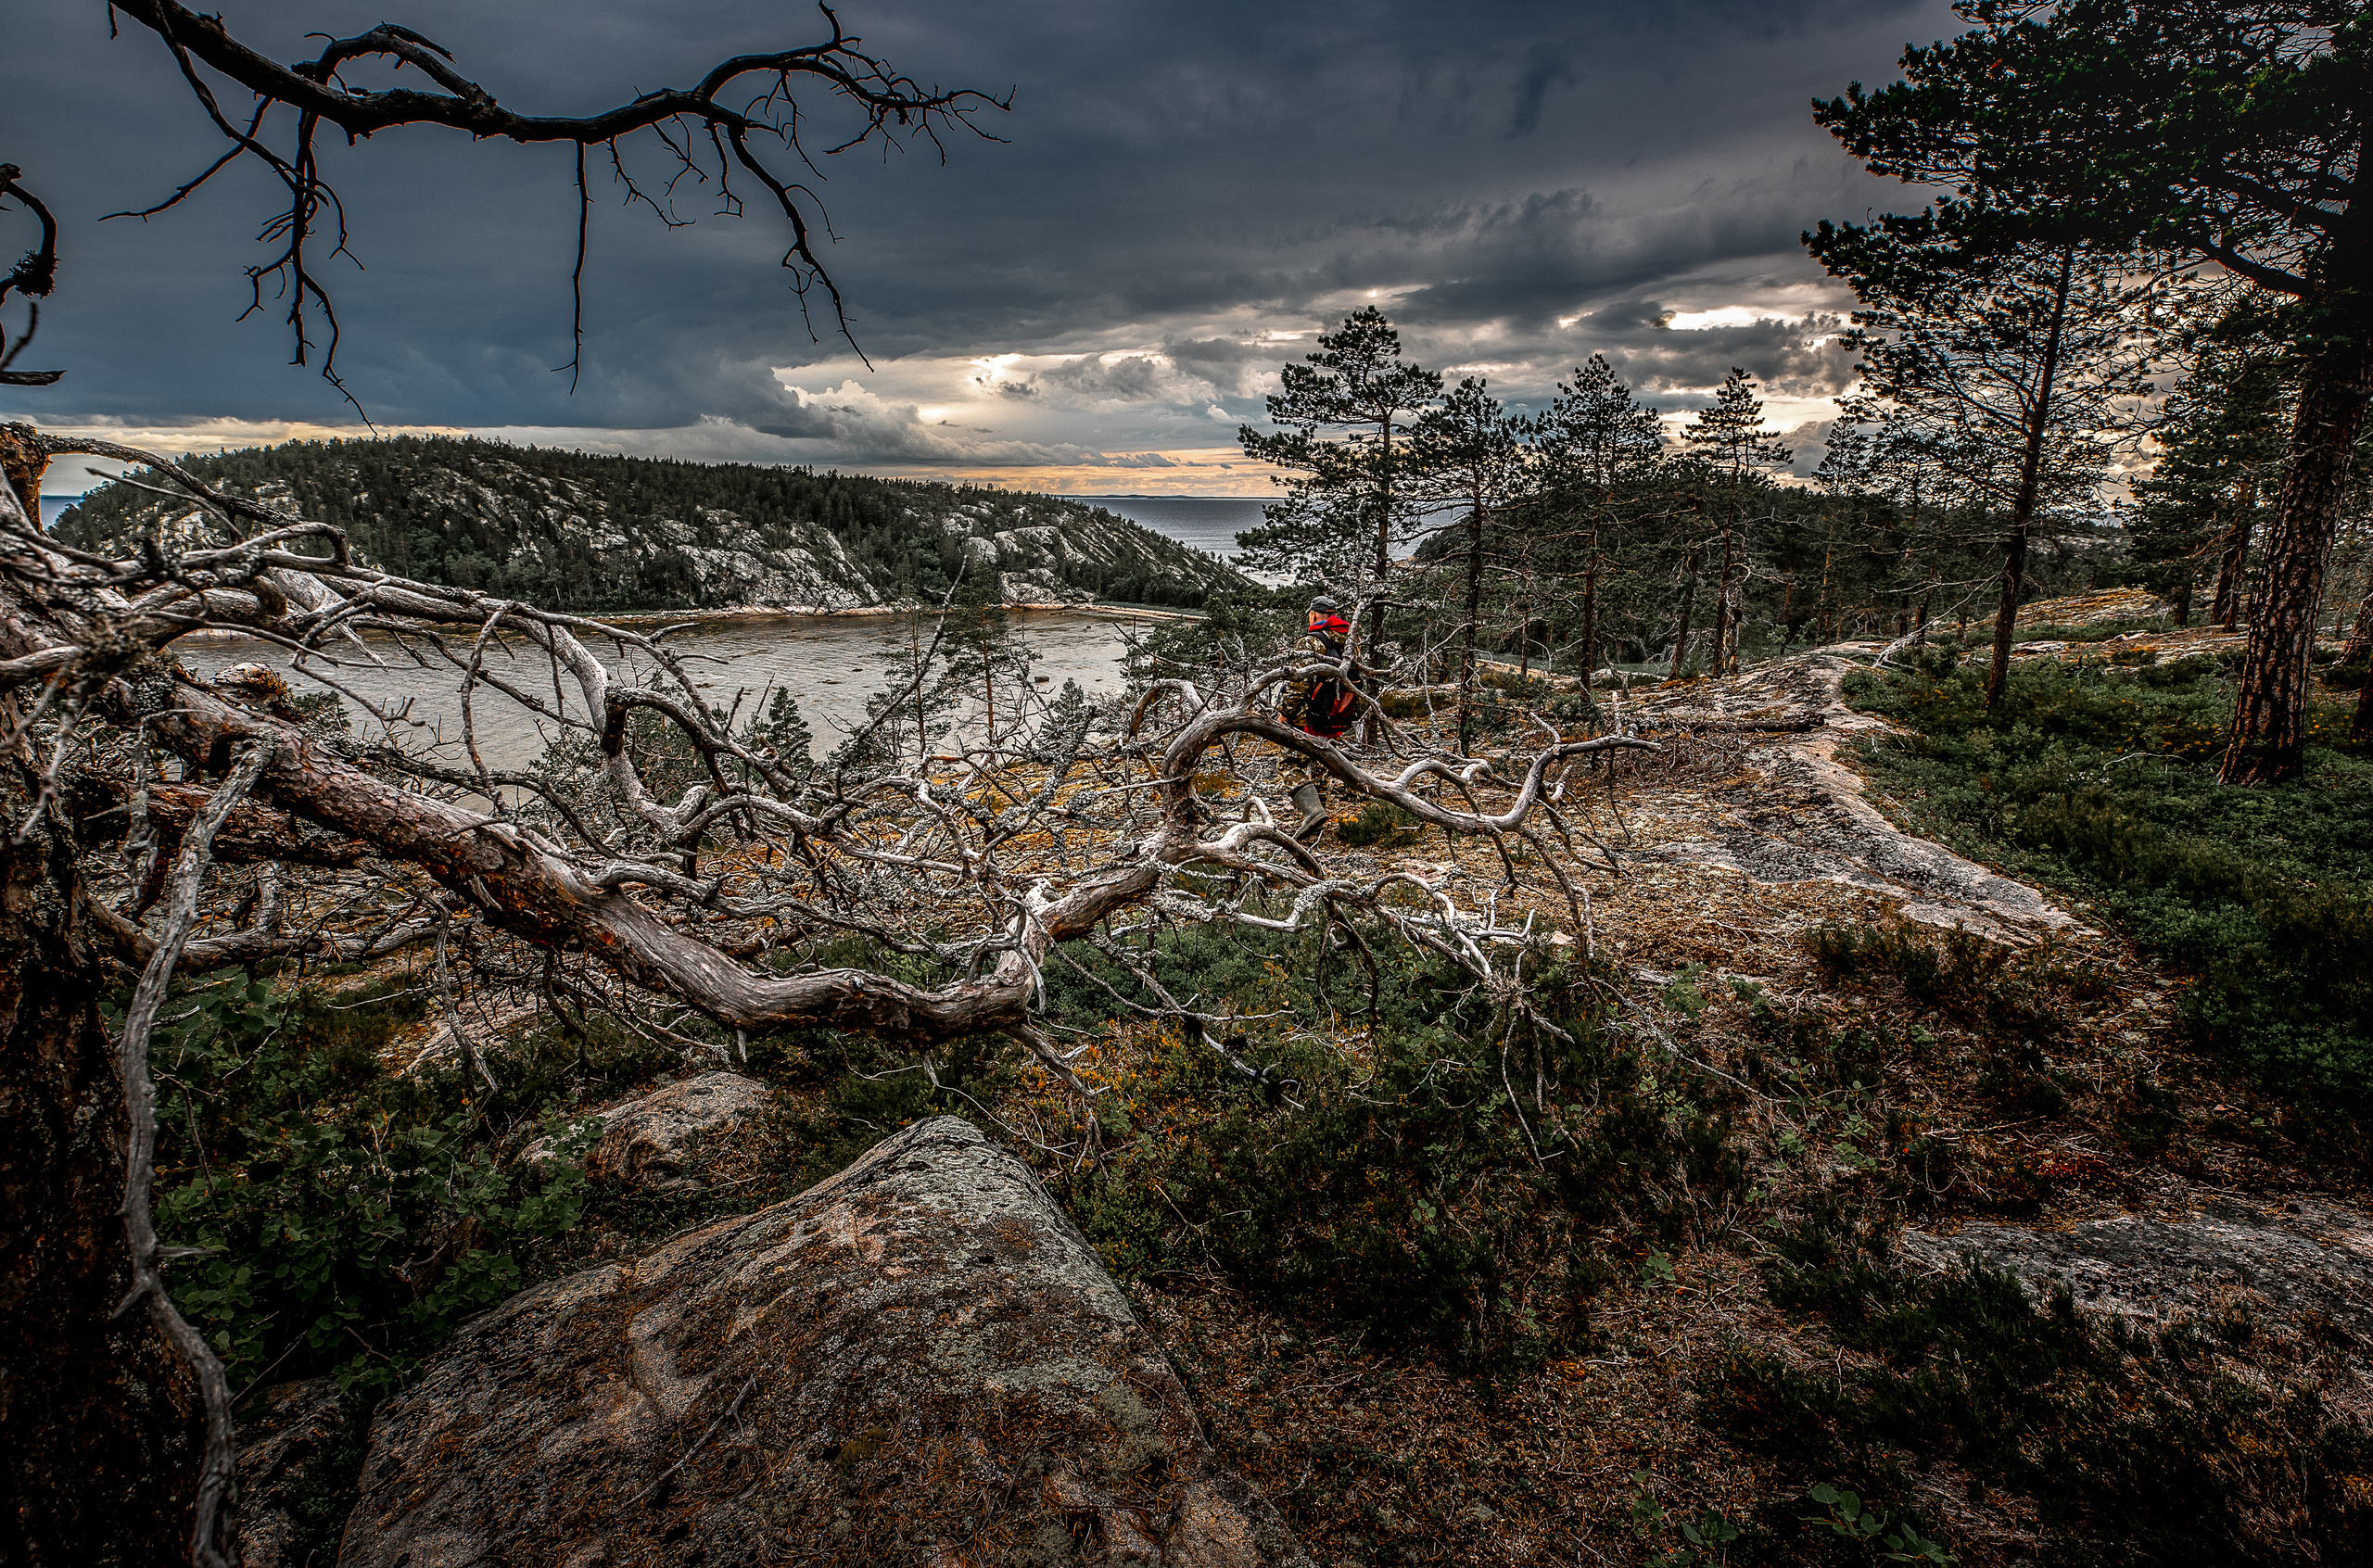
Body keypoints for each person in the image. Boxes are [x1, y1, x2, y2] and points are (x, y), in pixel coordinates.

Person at [1280, 595, 1359, 841]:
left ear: (1315, 615)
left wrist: (1285, 712)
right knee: (1321, 765)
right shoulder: (1350, 642)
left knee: (1289, 764)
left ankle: (1313, 812)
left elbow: (1297, 685)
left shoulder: (1310, 642)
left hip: (1308, 717)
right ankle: (1318, 827)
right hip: (1336, 716)